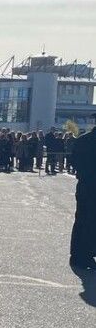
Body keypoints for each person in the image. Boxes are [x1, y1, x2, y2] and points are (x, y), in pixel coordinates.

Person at [70, 115, 96, 271]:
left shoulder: (82, 140)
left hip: (85, 184)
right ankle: (86, 254)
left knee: (82, 219)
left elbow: (74, 161)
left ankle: (77, 255)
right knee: (91, 221)